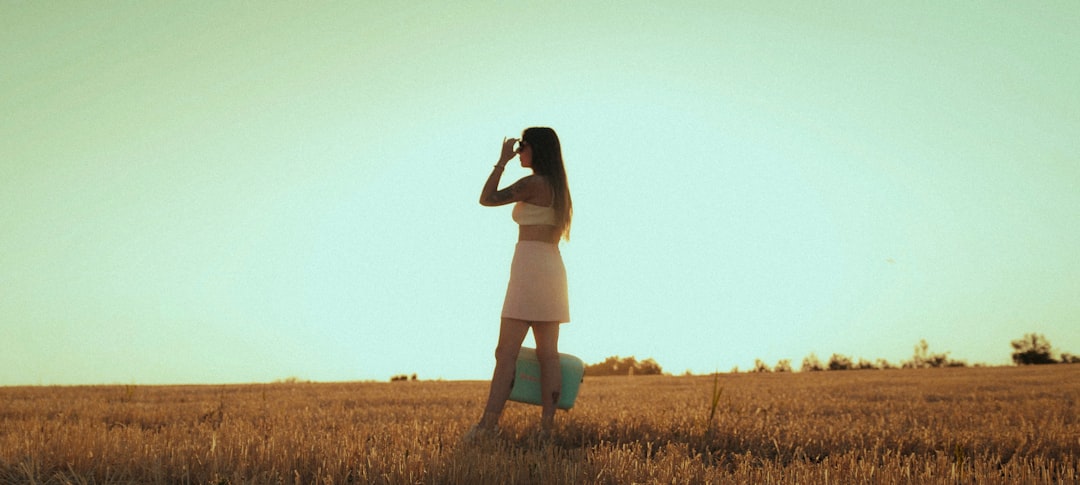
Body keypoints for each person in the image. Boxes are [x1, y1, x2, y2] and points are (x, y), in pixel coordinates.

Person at [468, 127, 573, 439]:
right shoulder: (559, 187)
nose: (518, 151)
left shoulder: (533, 183)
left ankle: (487, 426)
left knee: (506, 352)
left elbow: (486, 199)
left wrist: (500, 161)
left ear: (536, 149)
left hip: (529, 268)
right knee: (548, 354)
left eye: (522, 146)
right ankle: (546, 430)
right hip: (552, 267)